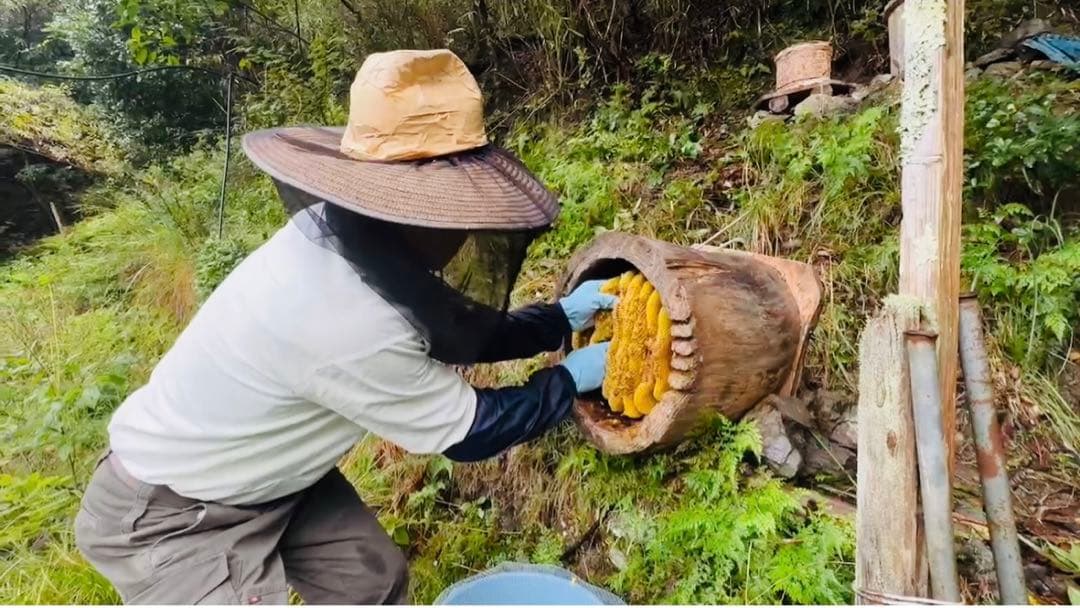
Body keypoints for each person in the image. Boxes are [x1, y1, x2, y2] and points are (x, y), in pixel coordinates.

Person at [74, 49, 614, 605]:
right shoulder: (341, 322)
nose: (463, 226)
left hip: (274, 478)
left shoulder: (360, 243)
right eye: (452, 210)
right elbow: (472, 431)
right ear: (401, 209)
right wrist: (570, 380)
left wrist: (556, 320)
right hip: (174, 515)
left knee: (371, 582)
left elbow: (453, 328)